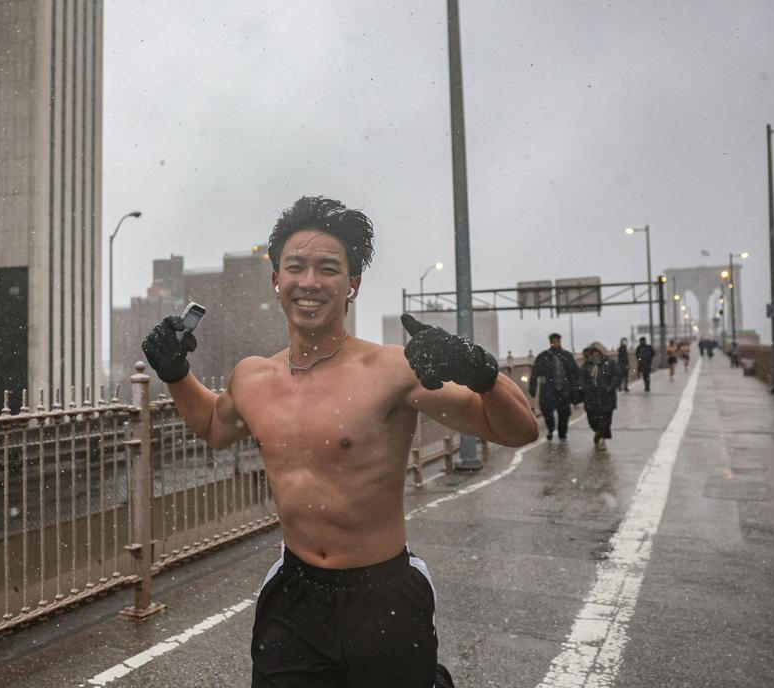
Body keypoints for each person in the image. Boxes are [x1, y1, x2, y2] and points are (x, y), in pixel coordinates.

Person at [141, 196, 538, 688]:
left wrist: (481, 372)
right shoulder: (252, 378)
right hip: (295, 596)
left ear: (352, 286)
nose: (310, 282)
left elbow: (519, 430)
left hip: (385, 596)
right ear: (276, 280)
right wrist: (177, 374)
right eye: (296, 267)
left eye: (328, 269)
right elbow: (213, 428)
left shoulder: (391, 370)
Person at [529, 333, 581, 443]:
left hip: (563, 390)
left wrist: (576, 388)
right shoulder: (543, 356)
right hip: (548, 390)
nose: (556, 343)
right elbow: (535, 373)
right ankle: (550, 429)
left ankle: (562, 435)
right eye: (554, 341)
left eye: (558, 341)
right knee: (547, 412)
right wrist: (532, 388)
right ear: (550, 342)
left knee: (564, 414)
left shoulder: (567, 356)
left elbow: (576, 372)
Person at [580, 341, 619, 450]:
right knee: (592, 421)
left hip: (607, 398)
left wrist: (610, 387)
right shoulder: (587, 365)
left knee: (605, 421)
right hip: (591, 399)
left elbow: (617, 376)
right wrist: (584, 390)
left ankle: (602, 440)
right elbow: (582, 380)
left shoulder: (610, 363)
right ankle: (598, 433)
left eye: (598, 353)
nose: (596, 355)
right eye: (593, 353)